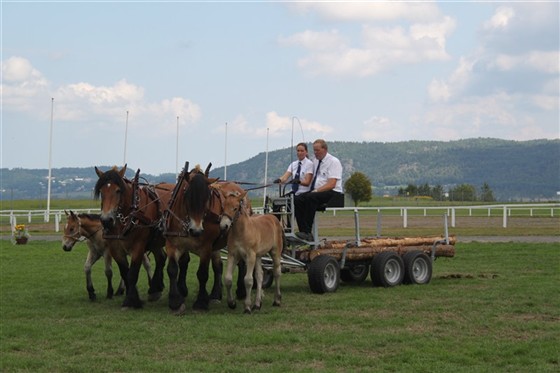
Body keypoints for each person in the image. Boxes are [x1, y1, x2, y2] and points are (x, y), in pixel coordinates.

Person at [294, 139, 343, 241]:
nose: (315, 153)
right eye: (314, 150)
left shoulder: (334, 162)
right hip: (318, 191)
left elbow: (331, 184)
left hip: (333, 192)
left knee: (311, 197)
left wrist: (316, 191)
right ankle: (303, 231)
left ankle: (307, 231)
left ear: (324, 149)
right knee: (298, 199)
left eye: (317, 150)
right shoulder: (315, 161)